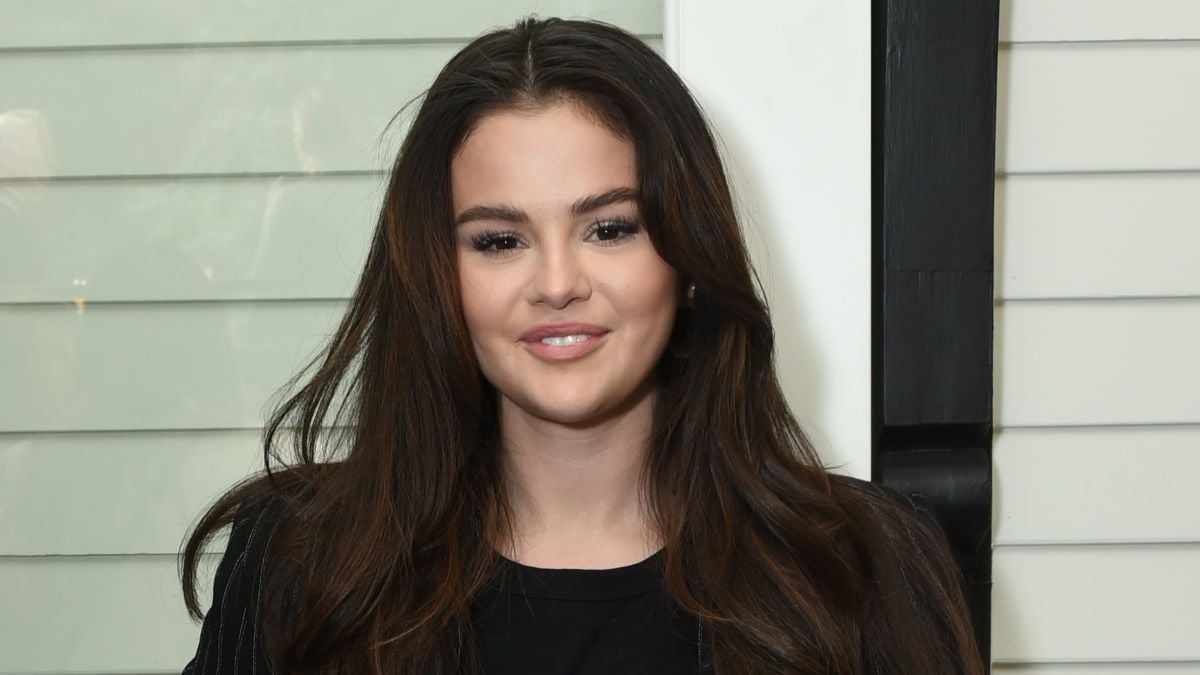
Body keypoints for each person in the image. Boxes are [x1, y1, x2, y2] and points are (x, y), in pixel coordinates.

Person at [179, 15, 983, 675]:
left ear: (689, 258)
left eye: (609, 227)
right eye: (499, 240)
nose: (557, 281)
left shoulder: (867, 569)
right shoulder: (300, 566)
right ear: (439, 277)